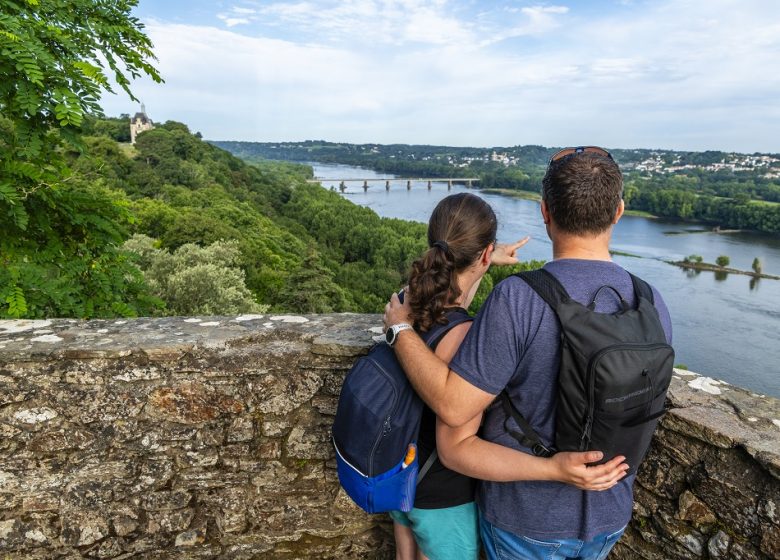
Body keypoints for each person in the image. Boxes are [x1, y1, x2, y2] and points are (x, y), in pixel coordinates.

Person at [384, 148, 672, 560]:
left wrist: (399, 330)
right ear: (619, 212)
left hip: (527, 521)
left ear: (545, 212)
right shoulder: (650, 301)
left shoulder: (519, 300)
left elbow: (452, 407)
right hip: (609, 515)